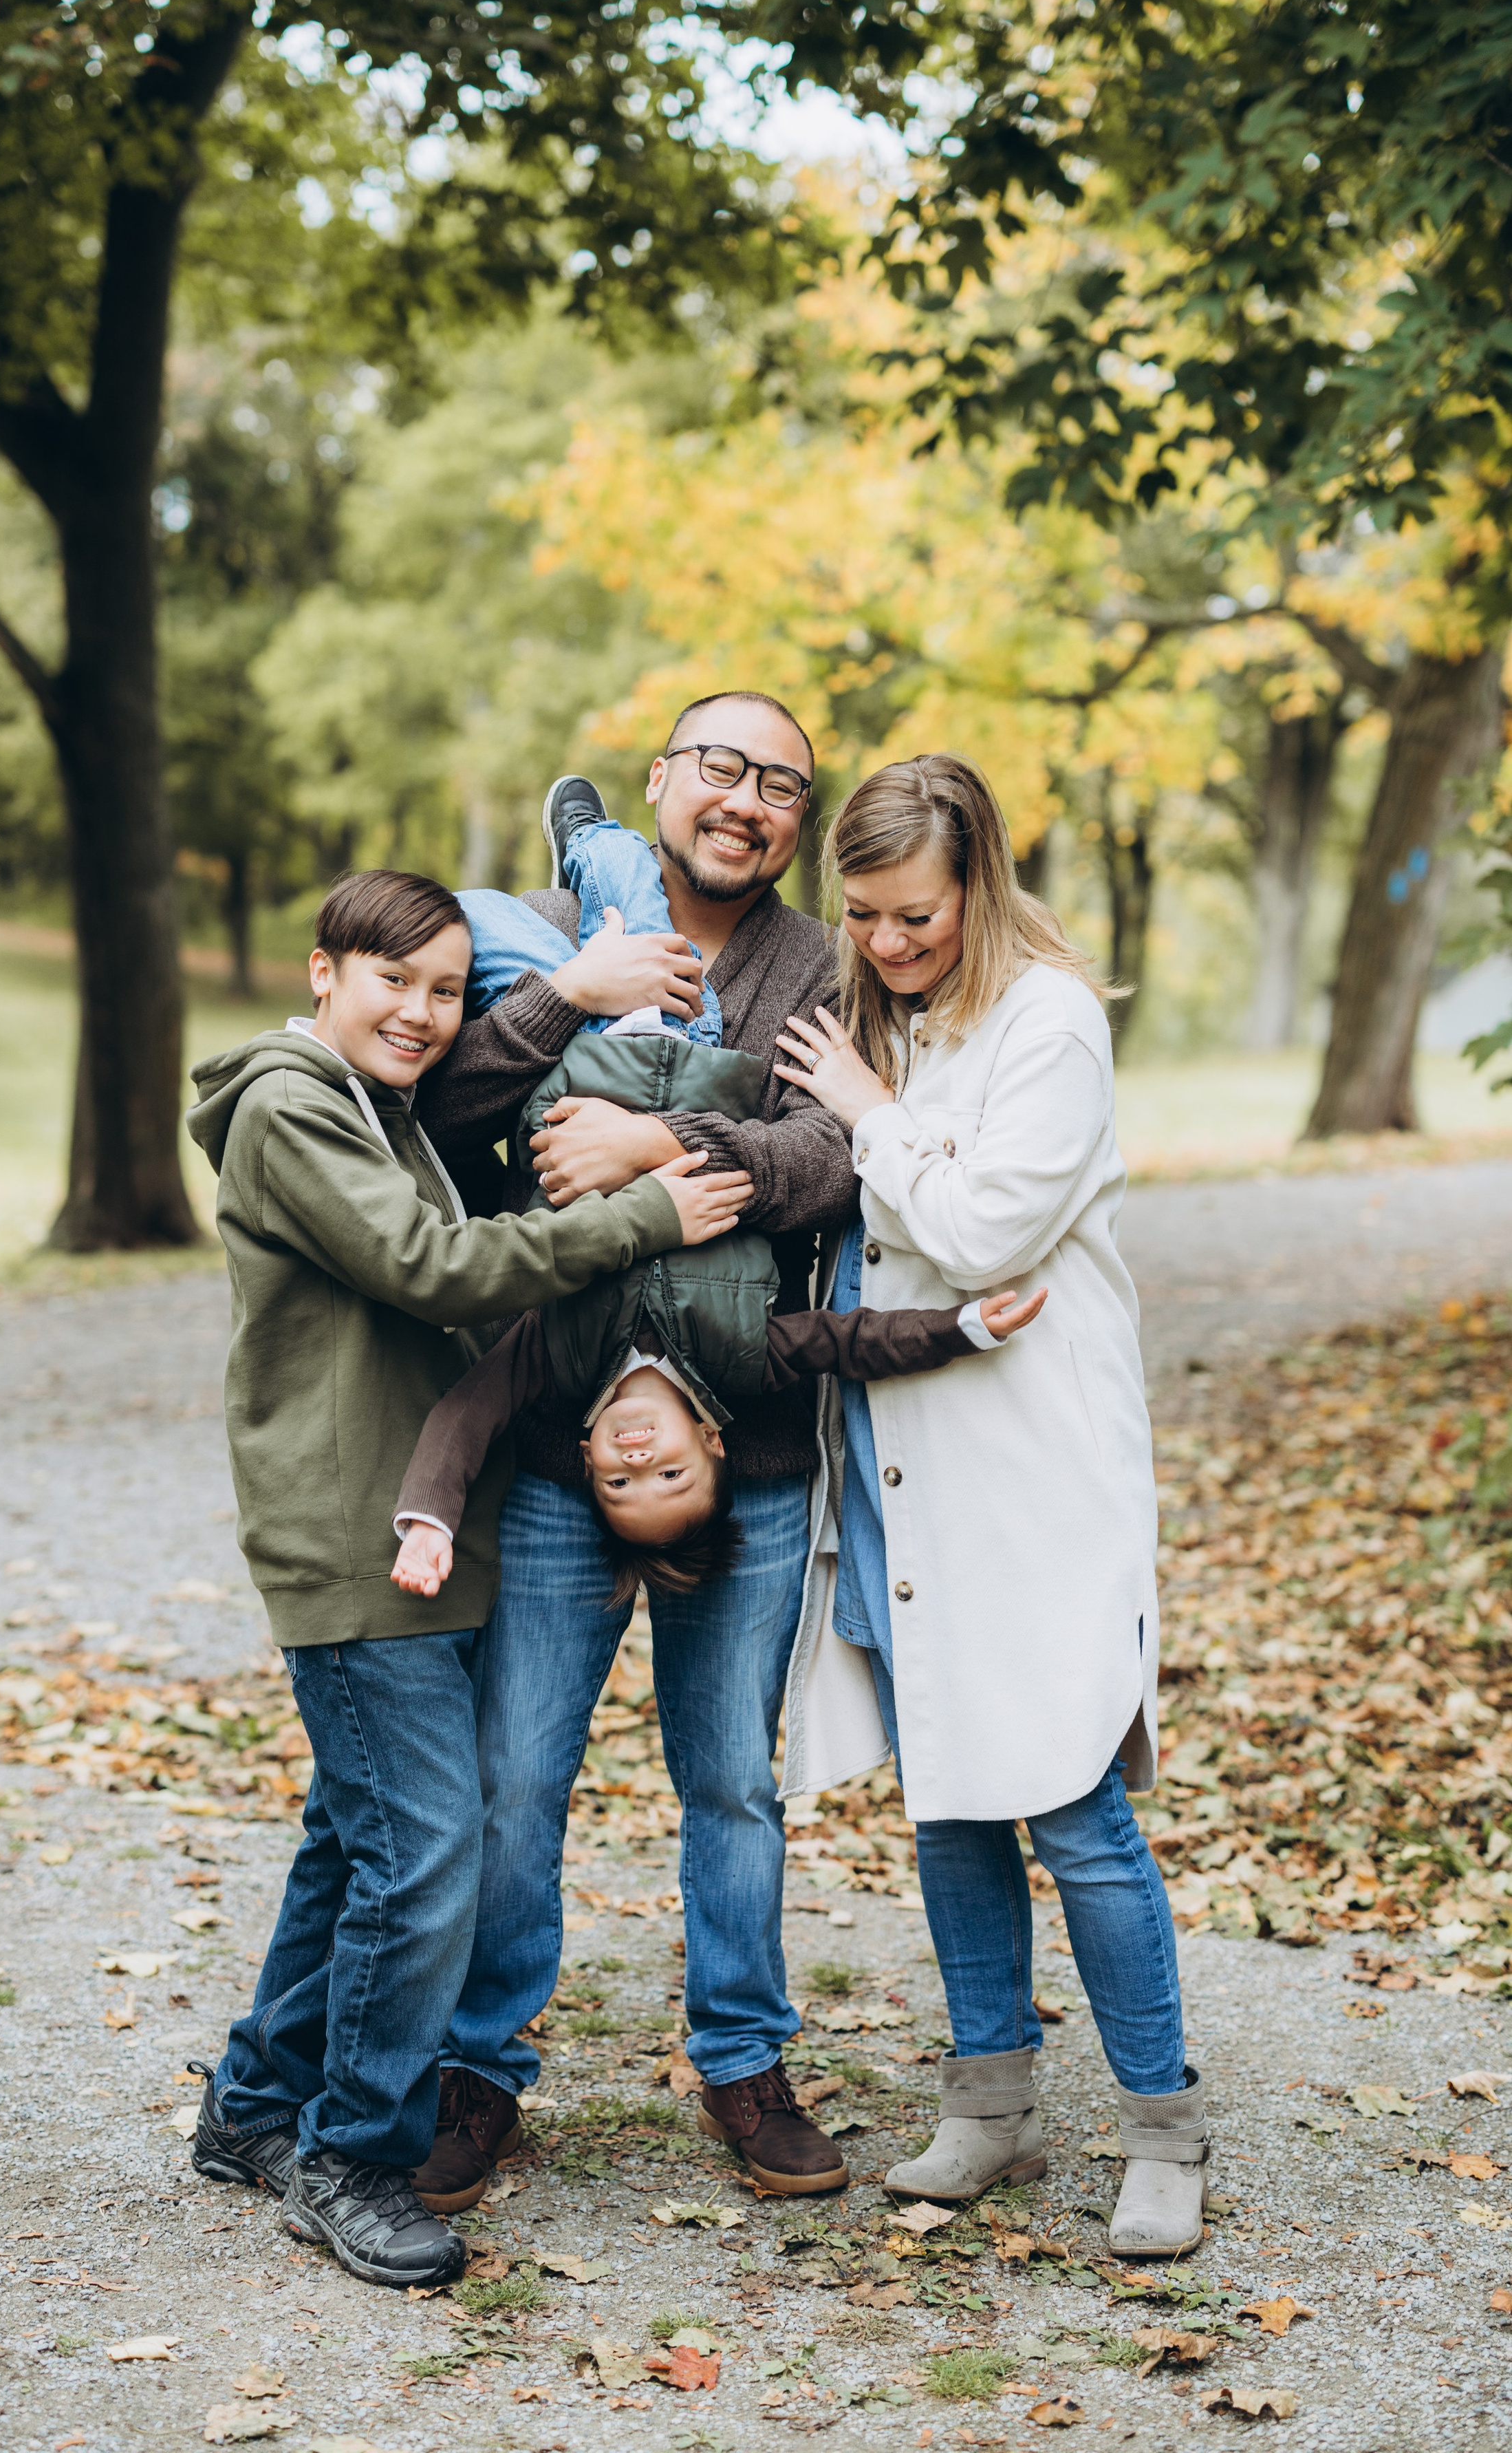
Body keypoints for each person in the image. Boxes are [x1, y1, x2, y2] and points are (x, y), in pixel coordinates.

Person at [180, 868, 746, 2291]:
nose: (424, 1014)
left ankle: (256, 2103)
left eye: (446, 989)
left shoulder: (379, 1107)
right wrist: (642, 1219)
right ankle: (354, 2153)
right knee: (427, 1849)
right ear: (323, 972)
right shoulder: (292, 1108)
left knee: (353, 1837)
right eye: (395, 982)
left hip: (414, 1537)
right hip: (347, 1532)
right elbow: (430, 1267)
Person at [412, 694, 863, 2209]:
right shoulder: (547, 933)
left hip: (746, 1448)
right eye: (721, 767)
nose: (747, 801)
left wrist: (663, 1147)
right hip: (555, 1435)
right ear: (661, 779)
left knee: (730, 1779)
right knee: (513, 1777)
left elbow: (836, 1160)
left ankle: (743, 2061)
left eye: (781, 785)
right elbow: (447, 1107)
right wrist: (566, 1001)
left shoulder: (817, 967)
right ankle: (479, 2070)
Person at [774, 754, 1204, 2260]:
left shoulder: (1048, 1020)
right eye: (864, 916)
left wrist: (868, 1112)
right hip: (895, 1455)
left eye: (916, 915)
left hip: (1031, 1466)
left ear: (979, 882)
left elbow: (983, 1229)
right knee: (948, 1790)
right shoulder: (884, 1013)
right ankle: (991, 2103)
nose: (887, 943)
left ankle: (1162, 2129)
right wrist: (889, 1112)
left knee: (1074, 1803)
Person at [393, 794, 1042, 1596]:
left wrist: (427, 1521)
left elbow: (464, 1415)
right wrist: (963, 1326)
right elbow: (854, 1342)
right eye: (670, 1476)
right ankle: (590, 841)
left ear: (590, 1456)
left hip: (585, 1056)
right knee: (625, 909)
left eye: (620, 1483)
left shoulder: (553, 1352)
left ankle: (587, 853)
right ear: (711, 1441)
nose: (639, 1462)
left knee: (450, 914)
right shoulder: (743, 1357)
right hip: (690, 1043)